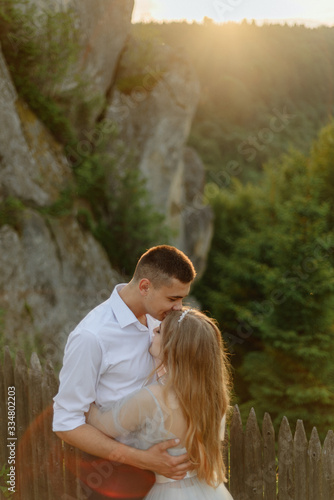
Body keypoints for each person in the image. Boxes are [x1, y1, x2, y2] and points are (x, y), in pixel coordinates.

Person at [53, 245, 197, 499]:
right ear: (144, 287)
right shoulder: (91, 336)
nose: (178, 308)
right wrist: (143, 460)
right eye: (173, 298)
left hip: (164, 476)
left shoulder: (160, 320)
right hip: (113, 477)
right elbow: (66, 424)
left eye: (182, 299)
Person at [86, 308, 233, 500]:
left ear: (173, 347)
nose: (153, 331)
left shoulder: (153, 397)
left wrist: (83, 393)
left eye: (159, 331)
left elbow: (100, 423)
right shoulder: (215, 399)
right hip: (210, 491)